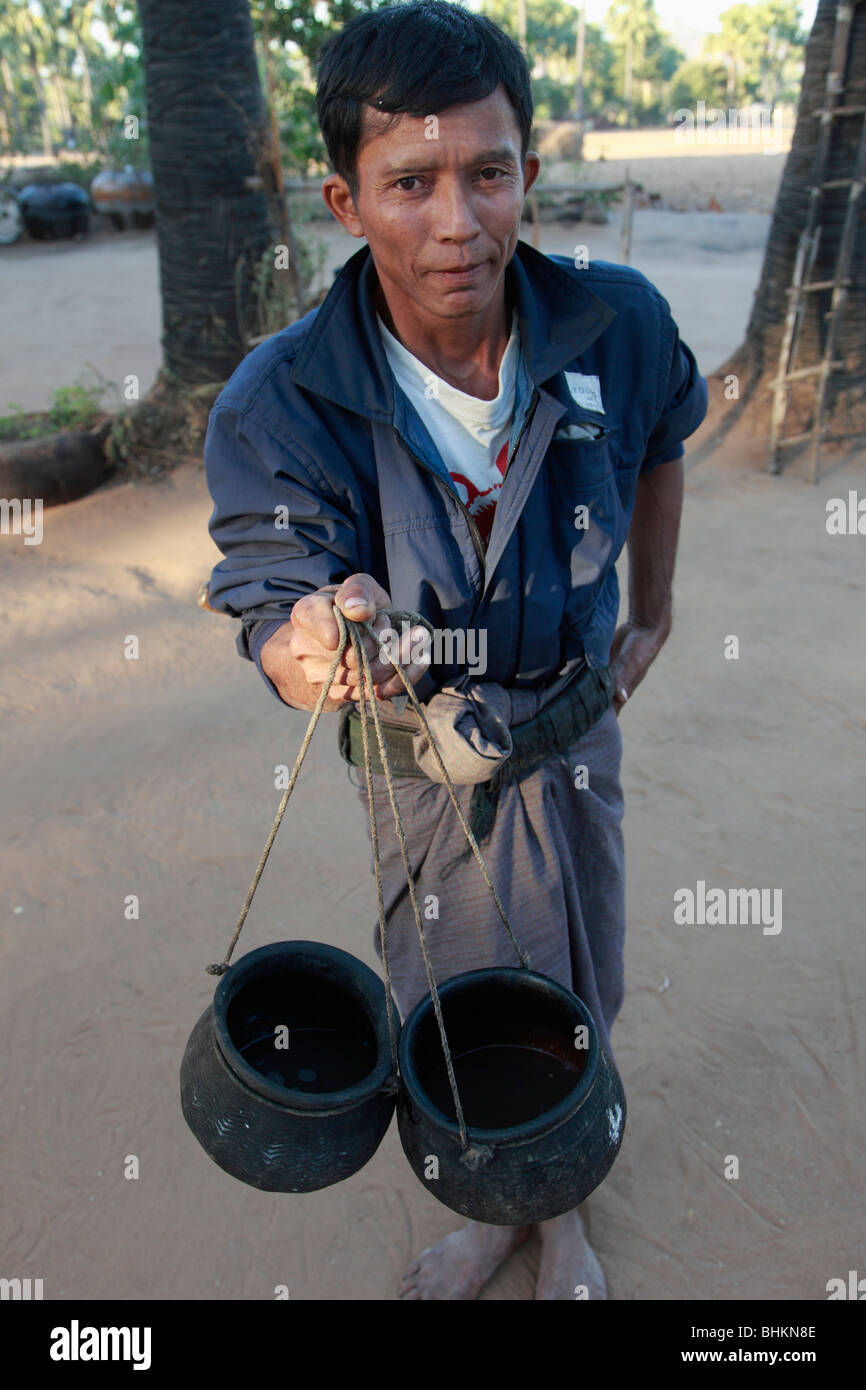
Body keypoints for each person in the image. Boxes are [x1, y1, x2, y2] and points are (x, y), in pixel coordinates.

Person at [203, 0, 707, 1300]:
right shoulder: (281, 397)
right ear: (343, 196)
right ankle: (493, 1214)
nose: (456, 221)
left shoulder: (617, 324)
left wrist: (652, 610)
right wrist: (321, 646)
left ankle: (566, 1222)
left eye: (488, 174)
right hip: (418, 769)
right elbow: (275, 611)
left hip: (569, 729)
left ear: (527, 173)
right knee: (448, 983)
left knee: (579, 972)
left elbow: (663, 436)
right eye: (410, 183)